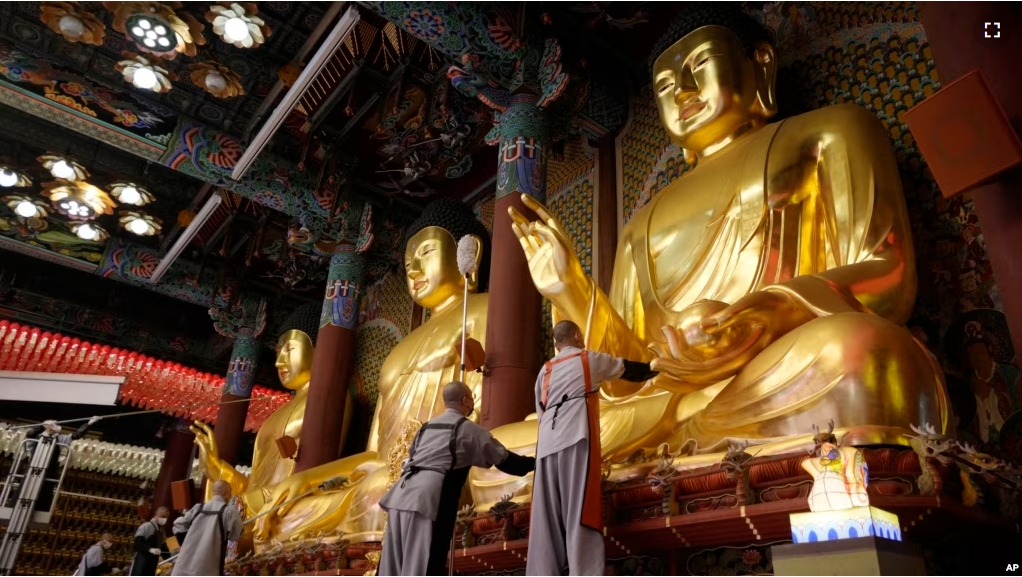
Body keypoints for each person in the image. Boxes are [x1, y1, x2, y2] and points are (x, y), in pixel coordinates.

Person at [525, 321, 656, 576]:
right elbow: (628, 369)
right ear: (576, 335)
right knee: (580, 509)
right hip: (576, 439)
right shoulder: (588, 359)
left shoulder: (545, 370)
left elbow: (540, 411)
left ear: (555, 343)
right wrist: (659, 368)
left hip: (545, 447)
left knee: (545, 517)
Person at [378, 381, 535, 576]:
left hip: (401, 494)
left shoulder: (424, 428)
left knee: (392, 563)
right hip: (430, 498)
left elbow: (411, 457)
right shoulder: (467, 428)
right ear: (465, 400)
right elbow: (502, 458)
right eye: (471, 398)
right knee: (424, 561)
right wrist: (536, 463)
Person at [22, 417, 100, 512]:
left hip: (49, 470)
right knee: (26, 489)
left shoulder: (60, 438)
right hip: (33, 469)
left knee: (45, 491)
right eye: (52, 427)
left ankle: (41, 508)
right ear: (48, 428)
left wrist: (88, 424)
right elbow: (29, 435)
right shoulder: (37, 437)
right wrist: (41, 426)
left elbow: (76, 435)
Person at [170, 480, 243, 576]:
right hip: (206, 566)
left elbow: (178, 523)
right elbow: (236, 535)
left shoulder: (198, 508)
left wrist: (187, 542)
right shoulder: (229, 511)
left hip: (184, 564)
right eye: (230, 492)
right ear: (225, 492)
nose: (230, 496)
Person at [129, 505, 169, 575]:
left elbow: (164, 549)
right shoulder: (147, 526)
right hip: (142, 560)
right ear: (156, 515)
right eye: (162, 516)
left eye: (166, 517)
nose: (164, 519)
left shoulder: (162, 531)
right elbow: (137, 543)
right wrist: (150, 549)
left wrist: (172, 558)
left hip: (153, 562)